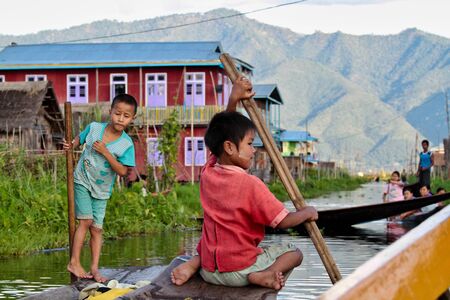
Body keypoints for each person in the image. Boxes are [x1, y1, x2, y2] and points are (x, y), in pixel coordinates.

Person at [170, 77, 318, 290]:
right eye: (249, 143)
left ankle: (194, 263)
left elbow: (221, 133)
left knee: (214, 240)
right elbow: (282, 221)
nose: (253, 149)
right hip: (239, 272)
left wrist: (234, 98)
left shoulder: (208, 172)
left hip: (209, 271)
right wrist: (307, 212)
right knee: (293, 252)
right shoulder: (250, 184)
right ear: (230, 148)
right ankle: (264, 275)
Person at [64, 94, 137, 282]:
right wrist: (70, 144)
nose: (121, 118)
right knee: (86, 222)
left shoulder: (126, 144)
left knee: (97, 229)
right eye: (117, 113)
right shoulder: (95, 128)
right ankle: (74, 262)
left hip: (102, 190)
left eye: (126, 116)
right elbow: (78, 139)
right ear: (110, 112)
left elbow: (122, 171)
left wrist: (106, 152)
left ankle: (95, 268)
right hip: (82, 179)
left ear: (132, 118)